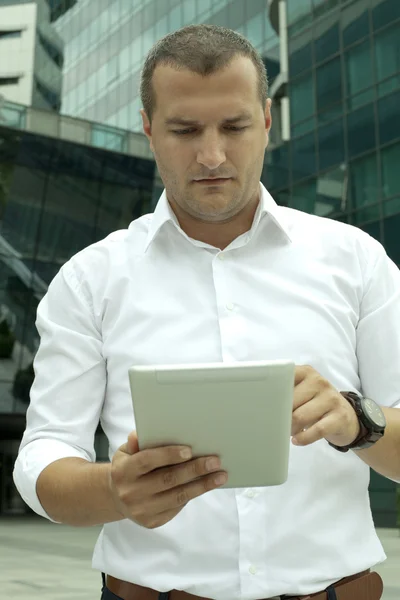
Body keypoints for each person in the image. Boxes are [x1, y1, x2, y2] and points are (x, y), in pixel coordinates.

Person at [13, 24, 400, 600]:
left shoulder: (357, 261)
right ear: (148, 128)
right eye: (185, 129)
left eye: (235, 126)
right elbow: (44, 454)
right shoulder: (91, 279)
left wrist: (358, 422)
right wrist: (114, 491)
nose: (212, 154)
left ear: (267, 121)